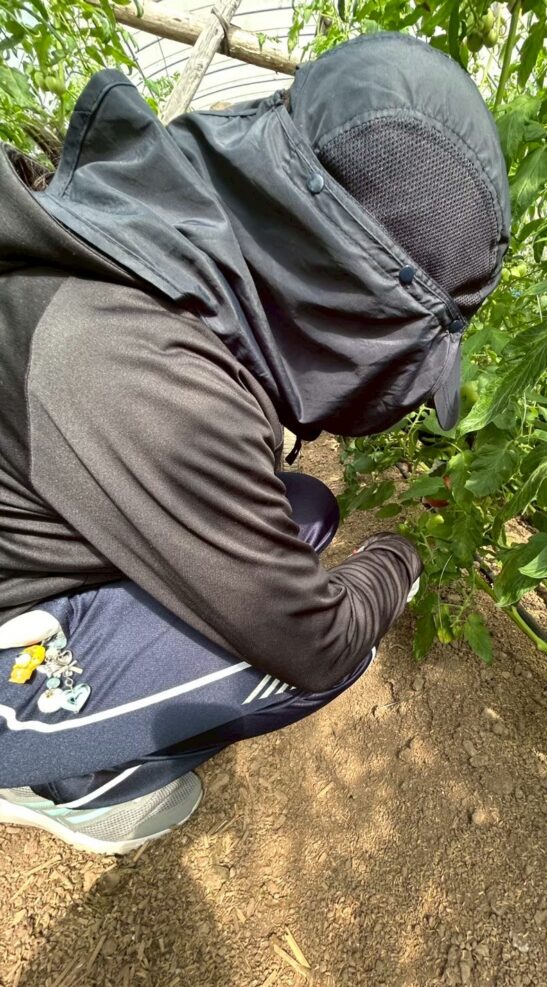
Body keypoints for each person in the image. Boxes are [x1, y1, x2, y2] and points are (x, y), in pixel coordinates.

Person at [0, 32, 510, 854]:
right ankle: (68, 784)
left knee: (302, 510)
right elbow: (317, 644)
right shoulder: (154, 382)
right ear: (360, 310)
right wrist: (397, 561)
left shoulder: (154, 265)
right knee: (297, 652)